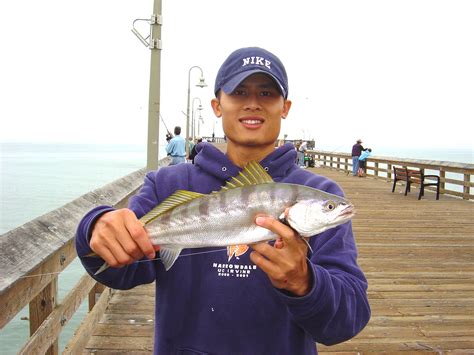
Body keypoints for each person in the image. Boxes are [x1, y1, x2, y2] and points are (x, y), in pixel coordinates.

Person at [75, 47, 370, 354]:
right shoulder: (166, 185)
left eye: (267, 93)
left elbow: (347, 321)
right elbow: (120, 270)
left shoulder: (320, 190)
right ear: (217, 105)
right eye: (239, 92)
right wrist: (94, 227)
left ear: (285, 107)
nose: (253, 104)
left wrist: (305, 282)